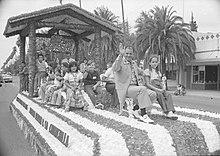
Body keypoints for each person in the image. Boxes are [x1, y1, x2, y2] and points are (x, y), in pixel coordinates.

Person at [112, 47, 156, 123]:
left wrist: (145, 72)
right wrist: (120, 55)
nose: (128, 55)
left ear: (133, 54)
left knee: (153, 94)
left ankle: (135, 109)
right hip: (125, 88)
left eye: (130, 54)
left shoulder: (133, 63)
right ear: (124, 53)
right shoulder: (120, 62)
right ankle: (143, 115)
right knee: (142, 89)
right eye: (127, 53)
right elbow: (115, 68)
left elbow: (139, 71)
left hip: (135, 87)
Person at [144, 54, 177, 119]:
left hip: (159, 87)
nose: (154, 63)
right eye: (153, 62)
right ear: (149, 63)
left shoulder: (158, 72)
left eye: (156, 62)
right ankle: (166, 112)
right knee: (160, 95)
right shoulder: (147, 71)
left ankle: (170, 110)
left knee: (168, 94)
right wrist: (158, 90)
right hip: (152, 88)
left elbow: (161, 82)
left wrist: (163, 87)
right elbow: (148, 84)